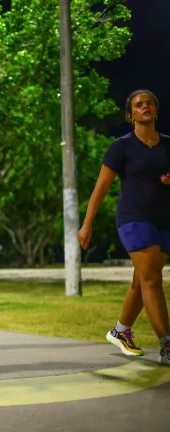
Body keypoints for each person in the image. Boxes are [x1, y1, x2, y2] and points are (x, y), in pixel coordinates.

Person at [78, 89, 170, 366]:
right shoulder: (121, 146)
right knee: (152, 278)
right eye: (139, 105)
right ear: (130, 116)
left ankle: (120, 331)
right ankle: (167, 344)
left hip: (164, 220)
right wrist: (87, 223)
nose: (145, 107)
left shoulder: (168, 144)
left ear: (156, 109)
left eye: (150, 103)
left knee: (142, 279)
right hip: (133, 218)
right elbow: (102, 186)